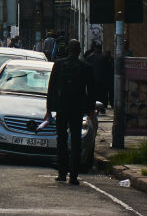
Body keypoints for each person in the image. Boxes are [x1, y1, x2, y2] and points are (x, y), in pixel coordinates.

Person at [46, 39, 95, 186]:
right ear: (79, 51)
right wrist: (91, 109)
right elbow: (91, 90)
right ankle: (73, 176)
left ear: (68, 49)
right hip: (77, 108)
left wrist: (49, 109)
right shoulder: (85, 67)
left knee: (61, 139)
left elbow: (51, 88)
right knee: (76, 141)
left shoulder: (59, 65)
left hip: (62, 107)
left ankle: (62, 173)